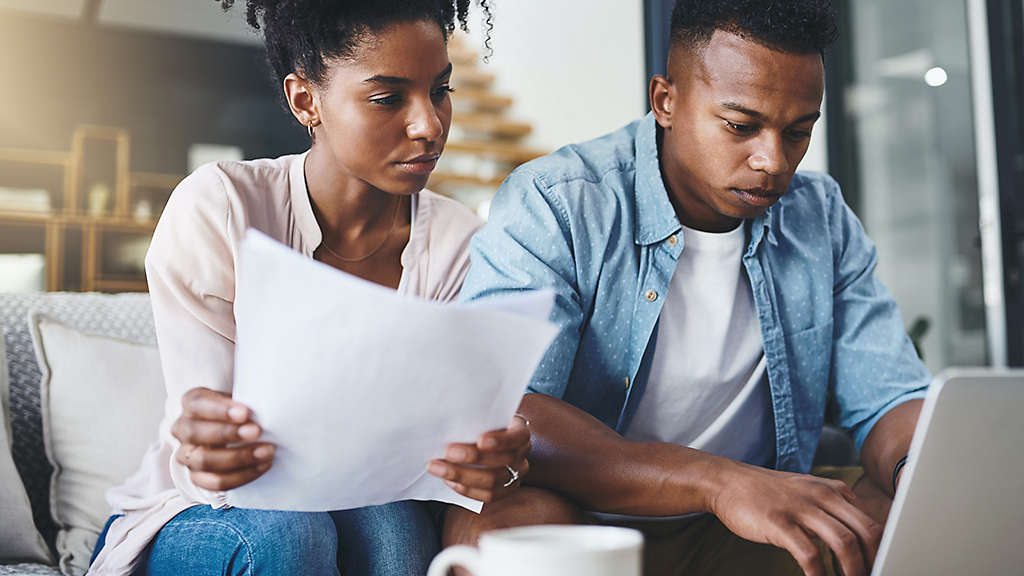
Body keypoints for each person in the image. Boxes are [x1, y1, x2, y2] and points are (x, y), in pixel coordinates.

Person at [449, 1, 931, 575]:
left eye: (798, 131)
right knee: (511, 534)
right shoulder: (558, 202)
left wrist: (921, 478)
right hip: (589, 513)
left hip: (758, 514)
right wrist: (717, 483)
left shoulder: (819, 216)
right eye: (741, 126)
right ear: (666, 101)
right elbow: (511, 407)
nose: (773, 161)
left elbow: (889, 399)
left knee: (902, 517)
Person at [86, 1, 531, 575]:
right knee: (292, 535)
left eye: (439, 90)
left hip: (359, 505)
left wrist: (499, 453)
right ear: (306, 101)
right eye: (388, 97)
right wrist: (208, 437)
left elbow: (433, 447)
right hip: (201, 513)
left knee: (398, 535)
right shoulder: (223, 207)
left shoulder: (459, 243)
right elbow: (210, 429)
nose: (430, 125)